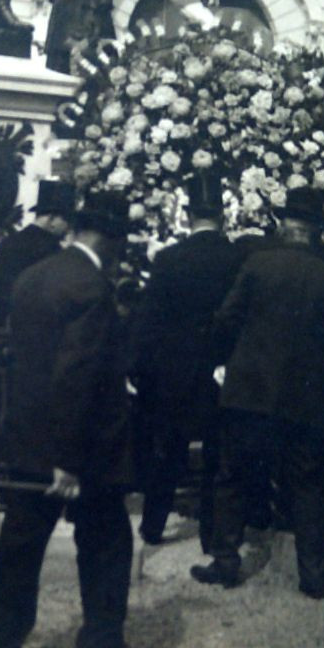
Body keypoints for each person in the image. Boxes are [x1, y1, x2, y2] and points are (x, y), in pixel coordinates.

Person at [0, 191, 158, 648]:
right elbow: (75, 376)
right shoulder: (90, 288)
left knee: (20, 546)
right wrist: (67, 460)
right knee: (107, 542)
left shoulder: (34, 276)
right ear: (110, 238)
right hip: (81, 447)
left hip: (27, 437)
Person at [191, 188, 324, 598]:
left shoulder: (257, 265)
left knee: (233, 477)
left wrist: (227, 360)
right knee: (306, 485)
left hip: (249, 391)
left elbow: (226, 321)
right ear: (316, 232)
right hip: (305, 397)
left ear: (283, 226)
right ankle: (313, 575)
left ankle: (226, 561)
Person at [131, 172, 249, 547]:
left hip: (174, 374)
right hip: (223, 371)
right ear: (222, 216)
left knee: (168, 454)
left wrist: (144, 372)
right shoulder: (238, 259)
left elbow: (148, 323)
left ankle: (152, 527)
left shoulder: (168, 260)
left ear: (187, 215)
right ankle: (212, 536)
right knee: (218, 455)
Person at [0, 178, 75, 447]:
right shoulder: (52, 251)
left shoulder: (8, 243)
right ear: (51, 219)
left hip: (1, 325)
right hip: (34, 333)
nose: (67, 228)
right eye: (65, 221)